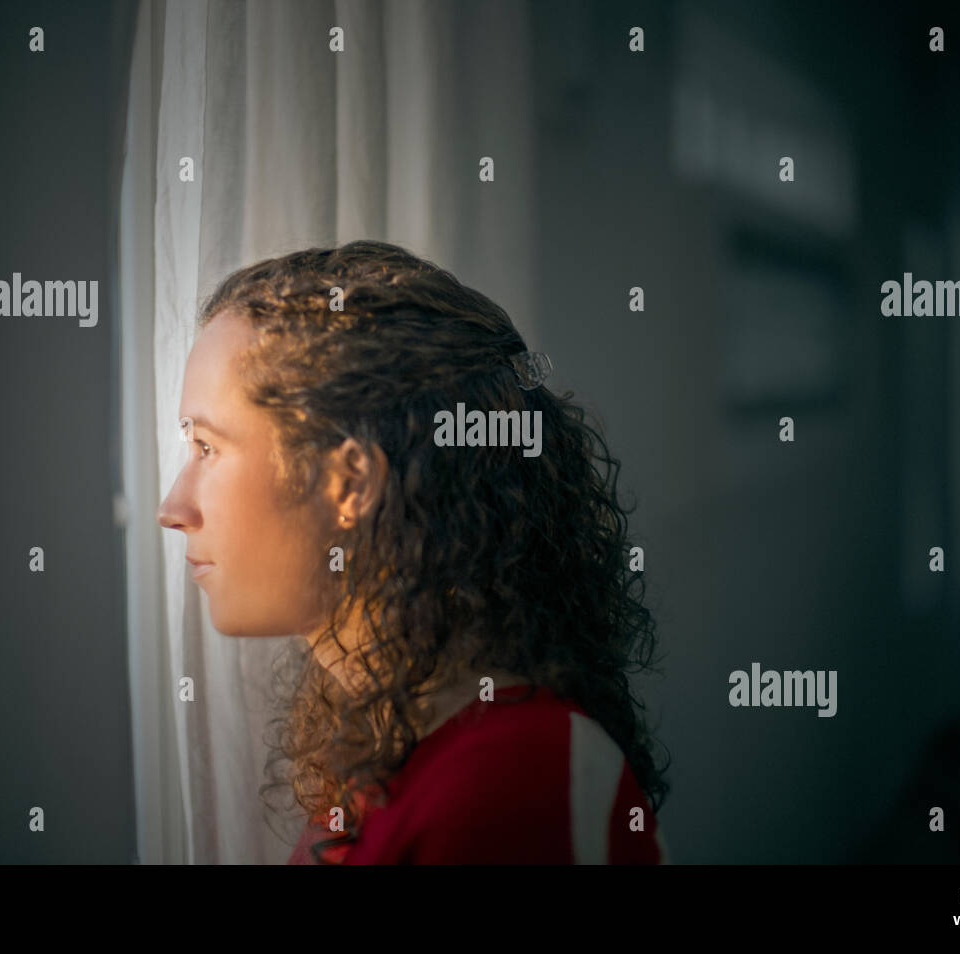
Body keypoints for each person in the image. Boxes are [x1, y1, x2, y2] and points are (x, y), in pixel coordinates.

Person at [156, 240, 670, 863]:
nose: (172, 508)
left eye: (208, 448)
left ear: (350, 484)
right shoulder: (387, 736)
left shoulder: (505, 783)